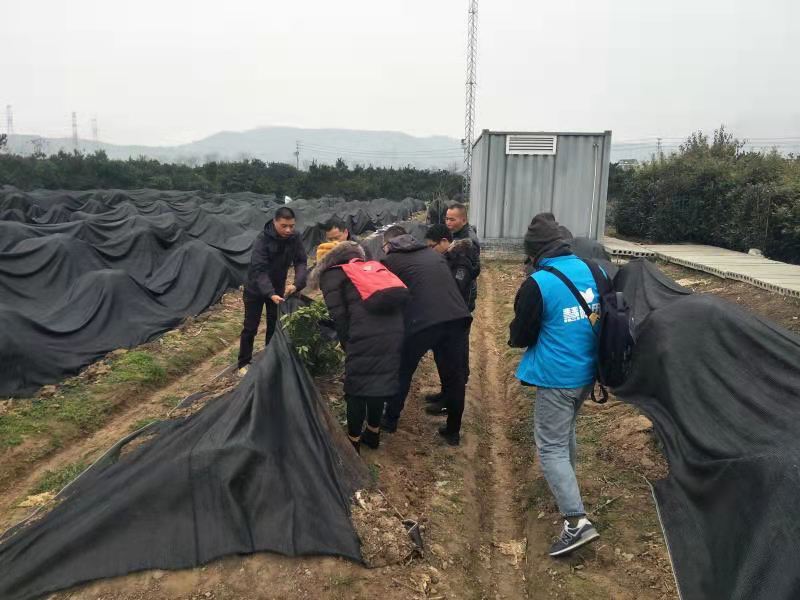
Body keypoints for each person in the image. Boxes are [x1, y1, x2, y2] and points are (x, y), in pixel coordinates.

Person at [508, 212, 602, 557]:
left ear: (534, 252)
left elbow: (521, 335)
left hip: (558, 376)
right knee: (566, 433)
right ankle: (567, 488)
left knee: (550, 447)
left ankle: (576, 522)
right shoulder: (594, 270)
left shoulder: (539, 283)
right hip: (588, 370)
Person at [309, 241, 406, 453]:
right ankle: (373, 433)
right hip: (393, 332)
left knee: (357, 390)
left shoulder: (332, 275)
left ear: (325, 261)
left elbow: (340, 317)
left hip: (364, 335)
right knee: (378, 383)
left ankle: (353, 443)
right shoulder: (369, 267)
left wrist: (347, 344)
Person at [380, 225, 471, 445]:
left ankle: (390, 420)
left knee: (403, 369)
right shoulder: (434, 255)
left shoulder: (390, 261)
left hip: (424, 322)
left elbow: (388, 299)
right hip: (457, 317)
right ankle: (453, 432)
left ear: (388, 245)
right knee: (455, 377)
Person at [238, 206, 308, 375]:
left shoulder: (294, 238)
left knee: (274, 324)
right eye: (284, 226)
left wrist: (297, 284)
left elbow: (301, 261)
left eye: (291, 226)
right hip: (255, 288)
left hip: (278, 287)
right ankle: (243, 362)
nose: (288, 230)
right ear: (275, 222)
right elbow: (259, 270)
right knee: (250, 326)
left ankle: (270, 358)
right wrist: (270, 293)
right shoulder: (262, 239)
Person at [423, 224, 479, 416]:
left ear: (444, 242)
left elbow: (454, 289)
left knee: (454, 364)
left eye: (432, 247)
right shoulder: (450, 257)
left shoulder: (461, 260)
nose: (430, 251)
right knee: (443, 359)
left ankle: (450, 404)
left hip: (455, 319)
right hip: (448, 317)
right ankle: (445, 393)